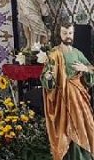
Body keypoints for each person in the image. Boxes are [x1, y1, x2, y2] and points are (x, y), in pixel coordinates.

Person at [41, 22, 94, 160]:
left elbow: (90, 69)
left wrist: (85, 69)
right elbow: (47, 76)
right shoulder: (54, 53)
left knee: (84, 124)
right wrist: (48, 77)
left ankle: (84, 154)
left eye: (70, 33)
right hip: (62, 96)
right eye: (65, 33)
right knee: (65, 127)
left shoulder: (77, 52)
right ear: (59, 34)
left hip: (78, 94)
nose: (68, 36)